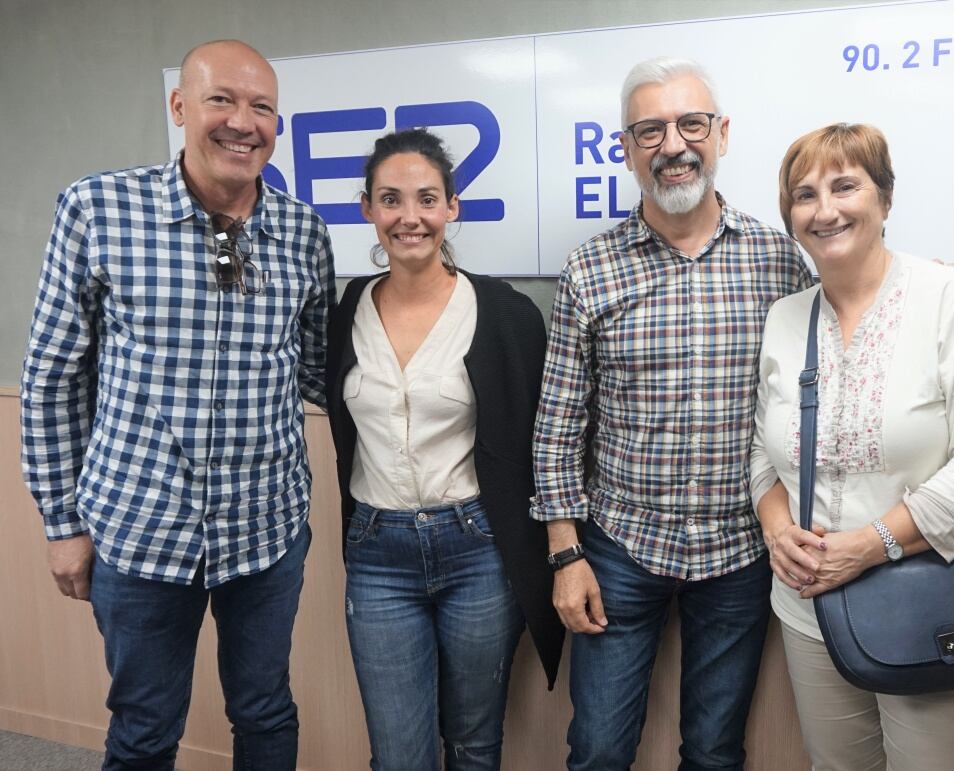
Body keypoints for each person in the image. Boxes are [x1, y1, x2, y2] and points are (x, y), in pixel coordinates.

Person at [20, 40, 335, 770]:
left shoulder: (303, 234)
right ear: (180, 106)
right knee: (143, 728)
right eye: (222, 98)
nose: (241, 121)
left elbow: (319, 370)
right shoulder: (98, 209)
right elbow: (51, 378)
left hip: (266, 530)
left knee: (265, 711)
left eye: (261, 107)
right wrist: (62, 523)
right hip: (139, 532)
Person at [531, 57, 813, 770]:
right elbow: (559, 423)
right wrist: (566, 555)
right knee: (596, 749)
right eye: (650, 129)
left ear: (720, 134)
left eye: (691, 123)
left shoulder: (779, 261)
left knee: (716, 752)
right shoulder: (589, 270)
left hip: (741, 552)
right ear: (625, 149)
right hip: (621, 548)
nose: (674, 144)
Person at [751, 122, 954, 770]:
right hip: (810, 607)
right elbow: (763, 451)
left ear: (885, 199)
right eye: (804, 194)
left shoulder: (950, 297)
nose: (825, 209)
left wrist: (868, 546)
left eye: (845, 185)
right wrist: (776, 528)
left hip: (930, 602)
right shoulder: (785, 319)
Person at [325, 127, 563, 771]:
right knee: (399, 755)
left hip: (478, 550)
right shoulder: (344, 312)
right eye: (391, 200)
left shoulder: (506, 313)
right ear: (367, 209)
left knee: (474, 743)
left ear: (452, 208)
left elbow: (544, 439)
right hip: (377, 553)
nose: (410, 217)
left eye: (427, 199)